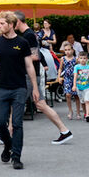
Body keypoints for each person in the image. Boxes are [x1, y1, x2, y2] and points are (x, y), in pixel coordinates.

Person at [0, 13, 37, 169]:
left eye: (2, 23)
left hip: (19, 87)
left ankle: (16, 157)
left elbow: (29, 66)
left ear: (11, 25)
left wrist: (35, 87)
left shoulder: (22, 42)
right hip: (1, 88)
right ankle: (8, 145)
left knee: (17, 124)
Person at [12, 12, 75, 144]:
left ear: (17, 21)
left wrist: (15, 56)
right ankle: (64, 131)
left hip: (30, 75)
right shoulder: (28, 34)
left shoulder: (28, 35)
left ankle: (7, 133)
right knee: (40, 104)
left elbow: (35, 56)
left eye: (12, 21)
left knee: (17, 104)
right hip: (31, 74)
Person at [73, 52, 89, 121]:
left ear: (87, 59)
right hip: (79, 87)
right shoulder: (77, 67)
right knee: (82, 102)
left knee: (87, 100)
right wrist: (74, 85)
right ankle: (85, 113)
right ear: (78, 59)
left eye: (84, 58)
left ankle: (88, 115)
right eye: (81, 58)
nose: (83, 60)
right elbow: (75, 76)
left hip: (88, 87)